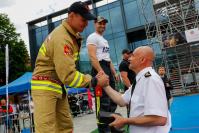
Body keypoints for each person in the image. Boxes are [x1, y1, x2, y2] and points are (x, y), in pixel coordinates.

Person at [31, 2, 98, 133]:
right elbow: (68, 75)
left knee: (65, 127)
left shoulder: (70, 36)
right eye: (83, 19)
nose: (86, 24)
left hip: (56, 86)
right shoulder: (63, 38)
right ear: (71, 16)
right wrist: (92, 81)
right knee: (47, 129)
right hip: (45, 87)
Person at [98, 46, 171, 133]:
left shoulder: (151, 80)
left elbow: (159, 119)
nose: (129, 58)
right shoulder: (140, 79)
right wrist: (106, 85)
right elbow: (121, 100)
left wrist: (125, 120)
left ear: (142, 60)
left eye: (133, 56)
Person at [86, 16, 119, 133]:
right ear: (95, 24)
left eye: (104, 23)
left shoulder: (104, 40)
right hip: (99, 69)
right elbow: (92, 57)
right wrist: (101, 72)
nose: (102, 25)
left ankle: (112, 126)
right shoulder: (92, 37)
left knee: (113, 99)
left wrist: (114, 72)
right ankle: (104, 130)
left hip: (107, 67)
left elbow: (107, 58)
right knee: (103, 102)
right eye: (100, 23)